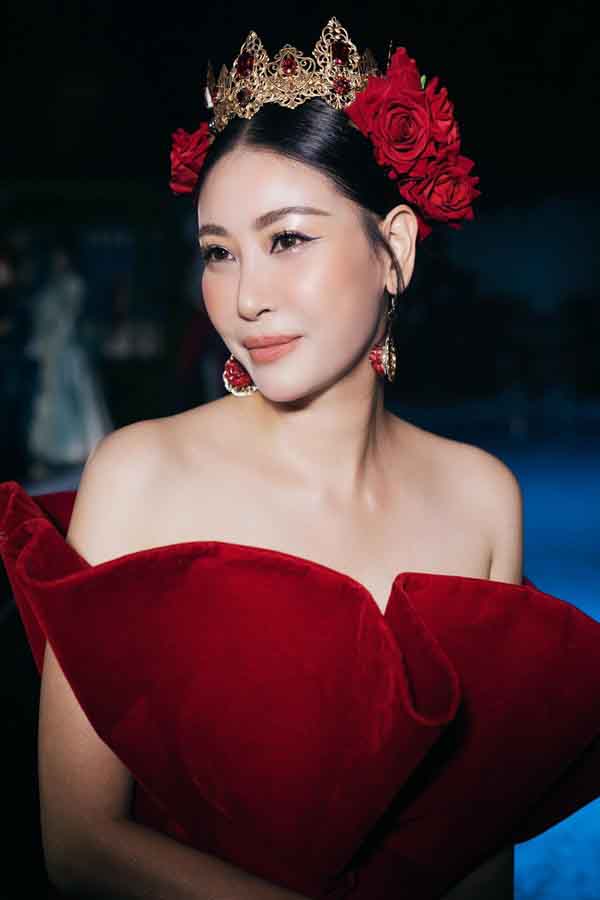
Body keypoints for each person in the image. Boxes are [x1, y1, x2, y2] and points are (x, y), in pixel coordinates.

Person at [1, 17, 599, 900]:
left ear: (396, 248)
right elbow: (81, 844)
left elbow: (478, 844)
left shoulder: (481, 499)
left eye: (287, 238)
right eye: (218, 252)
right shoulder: (140, 475)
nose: (244, 296)